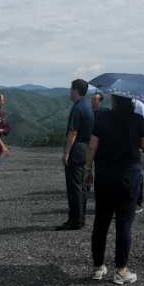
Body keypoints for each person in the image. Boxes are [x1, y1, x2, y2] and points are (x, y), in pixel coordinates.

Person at [85, 95, 144, 285]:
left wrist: (88, 169)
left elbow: (92, 145)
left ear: (113, 101)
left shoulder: (102, 117)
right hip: (128, 178)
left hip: (104, 177)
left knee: (101, 222)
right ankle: (121, 271)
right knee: (124, 224)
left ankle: (98, 267)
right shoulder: (138, 120)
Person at [56, 79, 94, 231]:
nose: (69, 92)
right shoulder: (88, 106)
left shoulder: (77, 108)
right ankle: (81, 218)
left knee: (74, 187)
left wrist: (66, 153)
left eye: (71, 89)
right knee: (82, 186)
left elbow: (73, 132)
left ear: (76, 90)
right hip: (85, 148)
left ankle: (75, 221)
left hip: (76, 149)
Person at [132, 99, 144, 214]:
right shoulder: (122, 102)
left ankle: (138, 202)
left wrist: (140, 145)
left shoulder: (139, 106)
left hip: (135, 143)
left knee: (137, 174)